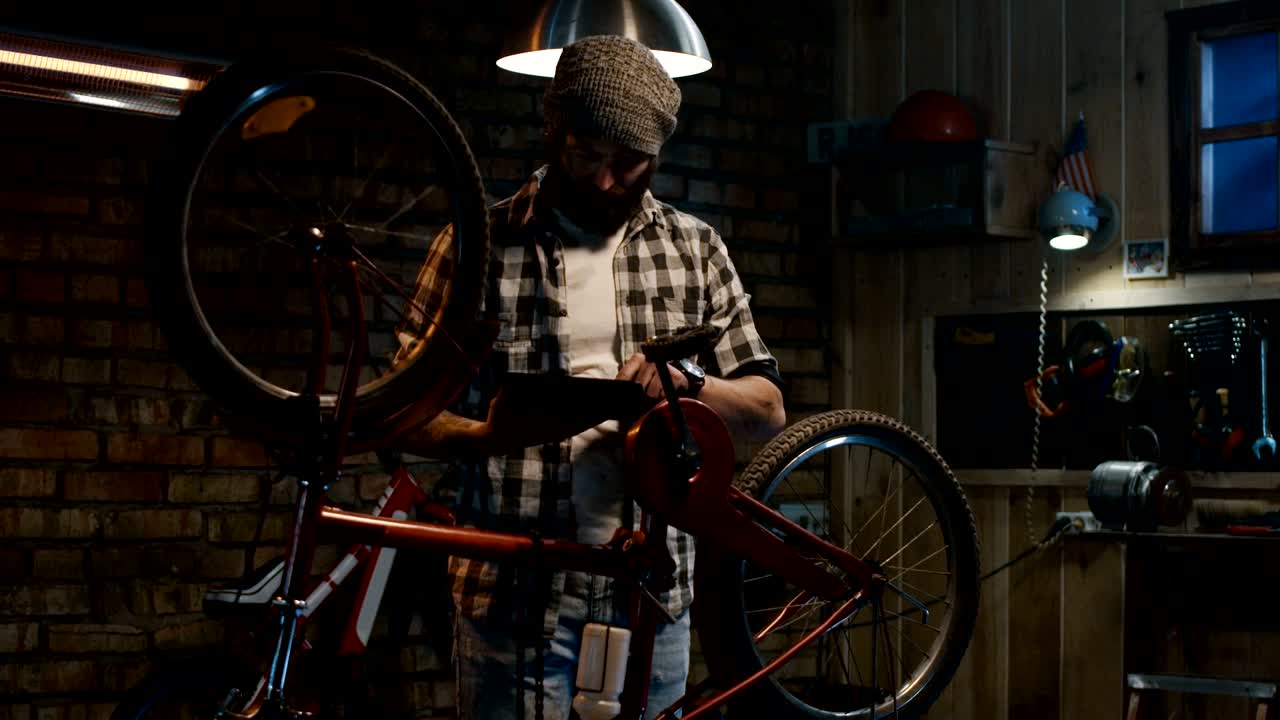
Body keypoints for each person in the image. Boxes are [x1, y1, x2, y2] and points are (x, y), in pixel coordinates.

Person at [392, 34, 787, 720]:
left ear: (656, 156)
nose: (605, 181)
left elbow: (767, 411)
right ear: (552, 132)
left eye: (628, 163)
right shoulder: (477, 247)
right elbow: (400, 413)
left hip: (651, 593)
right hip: (513, 597)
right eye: (586, 156)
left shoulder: (696, 250)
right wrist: (488, 437)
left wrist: (689, 384)